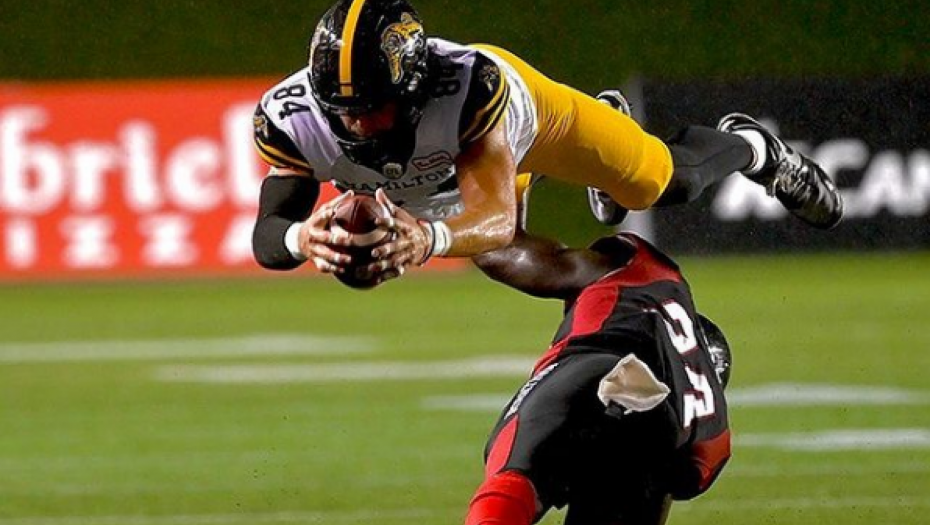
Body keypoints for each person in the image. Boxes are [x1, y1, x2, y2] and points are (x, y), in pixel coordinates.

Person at [250, 0, 843, 278]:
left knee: (661, 183)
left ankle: (754, 147)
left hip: (523, 129)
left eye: (373, 109)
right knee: (512, 265)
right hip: (449, 168)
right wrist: (304, 238)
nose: (357, 125)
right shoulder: (289, 118)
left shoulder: (469, 89)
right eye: (342, 111)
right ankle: (629, 298)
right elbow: (267, 234)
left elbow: (494, 216)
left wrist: (427, 238)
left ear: (414, 85)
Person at [463, 227, 733, 525]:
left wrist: (454, 227)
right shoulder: (714, 433)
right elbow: (678, 482)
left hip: (598, 366)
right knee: (647, 476)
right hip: (660, 422)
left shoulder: (652, 278)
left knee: (513, 479)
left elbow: (499, 252)